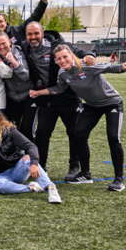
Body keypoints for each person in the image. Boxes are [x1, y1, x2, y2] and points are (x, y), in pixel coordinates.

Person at [30, 45, 125, 191]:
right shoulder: (62, 73)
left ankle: (119, 179)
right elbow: (59, 89)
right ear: (55, 61)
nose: (62, 60)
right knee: (78, 134)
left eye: (65, 57)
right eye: (59, 58)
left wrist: (123, 66)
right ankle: (85, 174)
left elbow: (114, 68)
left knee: (113, 138)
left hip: (111, 103)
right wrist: (39, 93)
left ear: (71, 55)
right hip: (92, 105)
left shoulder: (87, 65)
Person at [22, 21, 96, 179]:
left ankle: (74, 167)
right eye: (30, 34)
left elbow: (77, 51)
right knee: (42, 133)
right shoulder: (25, 48)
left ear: (42, 33)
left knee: (73, 133)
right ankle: (41, 166)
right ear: (26, 36)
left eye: (36, 33)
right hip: (46, 100)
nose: (33, 37)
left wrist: (90, 56)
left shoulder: (58, 45)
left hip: (68, 99)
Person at [0, 104, 62, 203]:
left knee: (28, 159)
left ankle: (50, 188)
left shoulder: (9, 131)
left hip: (17, 170)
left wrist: (33, 163)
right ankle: (31, 188)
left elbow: (31, 146)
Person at [0, 32, 36, 140]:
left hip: (28, 94)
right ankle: (15, 154)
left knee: (27, 127)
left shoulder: (17, 53)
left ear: (10, 42)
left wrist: (13, 61)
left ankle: (31, 154)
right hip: (12, 96)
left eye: (4, 43)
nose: (2, 47)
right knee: (11, 127)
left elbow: (25, 75)